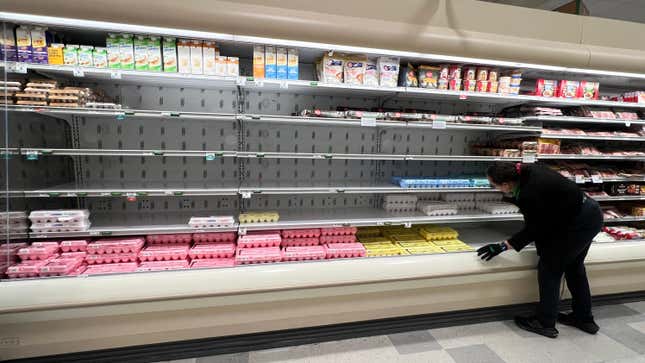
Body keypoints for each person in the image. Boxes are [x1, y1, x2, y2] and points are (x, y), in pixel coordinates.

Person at [477, 162, 603, 338]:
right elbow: (546, 212)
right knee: (575, 267)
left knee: (549, 269)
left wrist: (503, 245)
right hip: (591, 214)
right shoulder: (530, 170)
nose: (495, 189)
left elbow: (536, 228)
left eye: (495, 185)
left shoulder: (529, 194)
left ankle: (545, 323)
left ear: (506, 184)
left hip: (575, 224)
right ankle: (584, 319)